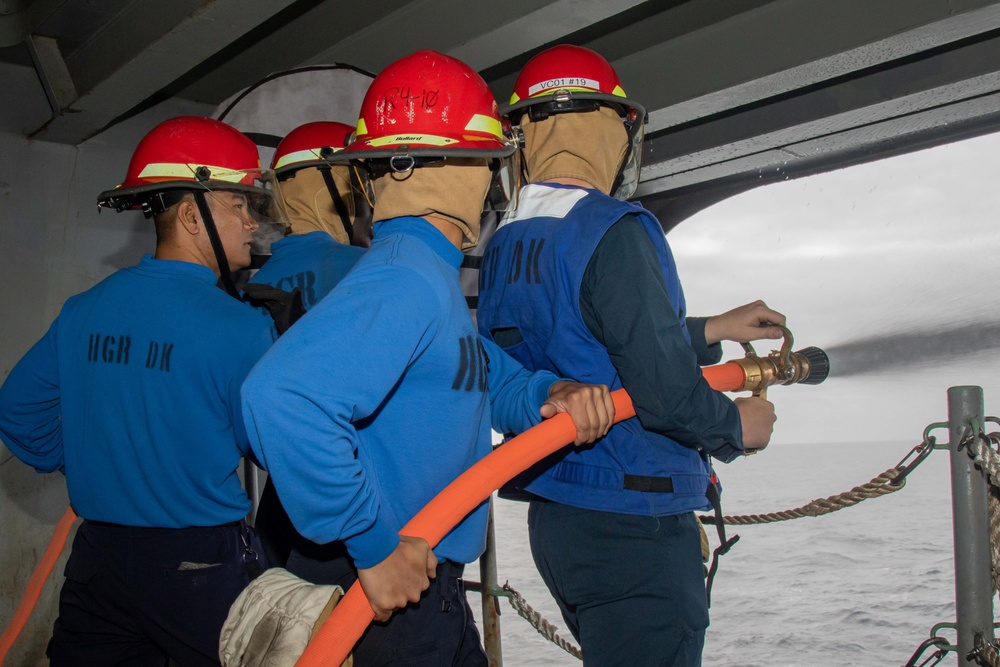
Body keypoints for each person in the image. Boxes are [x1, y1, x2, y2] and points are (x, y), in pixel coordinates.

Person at [240, 50, 616, 667]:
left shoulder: (418, 272)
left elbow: (467, 367)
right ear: (468, 169)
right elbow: (279, 396)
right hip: (387, 592)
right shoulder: (405, 279)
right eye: (493, 163)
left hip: (417, 588)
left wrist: (545, 393)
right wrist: (373, 546)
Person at [475, 45, 783, 666]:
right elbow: (665, 392)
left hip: (561, 517)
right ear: (615, 128)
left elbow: (578, 338)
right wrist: (736, 426)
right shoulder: (616, 229)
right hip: (632, 517)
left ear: (524, 134)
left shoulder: (505, 243)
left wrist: (709, 329)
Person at [0, 116, 279, 666]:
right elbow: (268, 446)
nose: (251, 223)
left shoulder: (84, 310)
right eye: (238, 205)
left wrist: (87, 459)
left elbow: (16, 409)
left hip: (99, 560)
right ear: (193, 215)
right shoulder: (242, 327)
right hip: (199, 565)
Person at [243, 121, 369, 566]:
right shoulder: (367, 269)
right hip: (355, 501)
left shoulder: (255, 284)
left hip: (280, 503)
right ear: (331, 187)